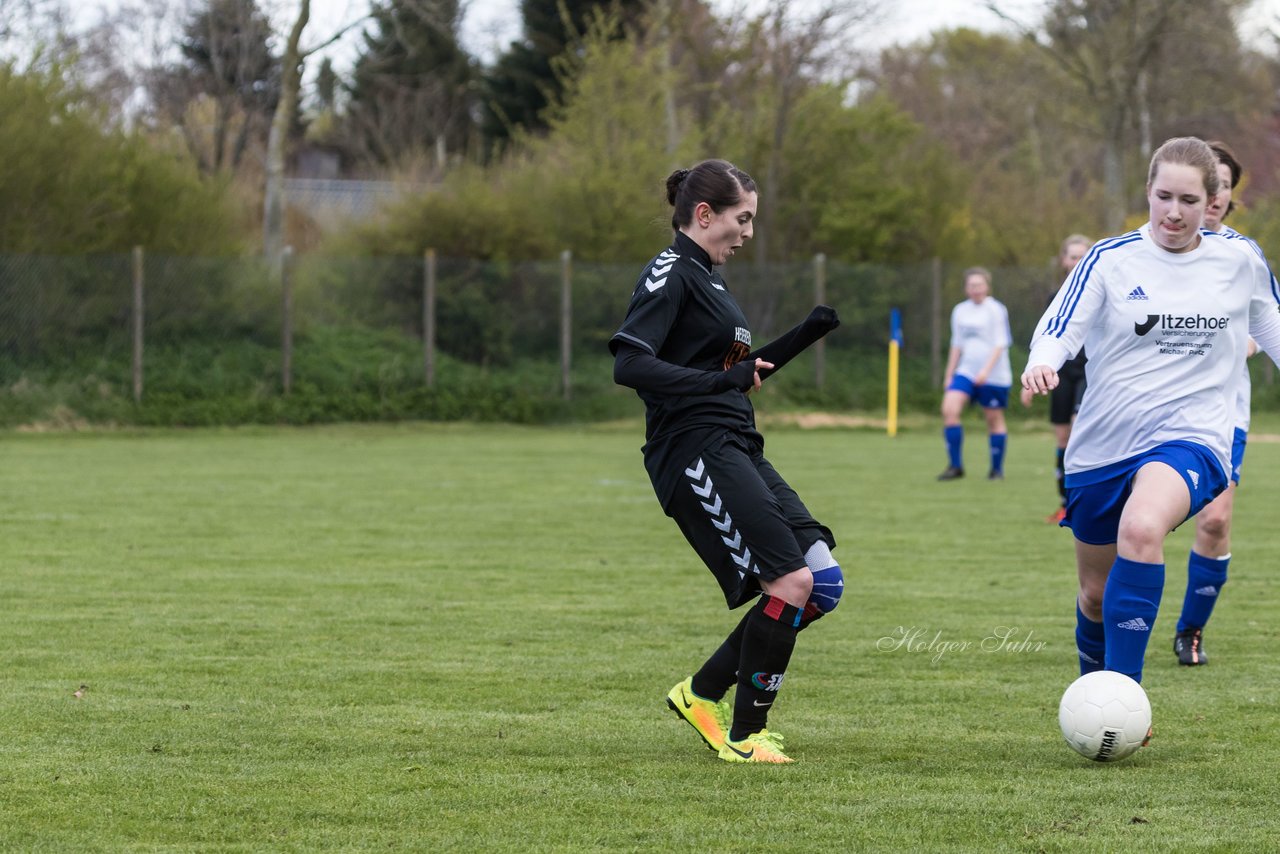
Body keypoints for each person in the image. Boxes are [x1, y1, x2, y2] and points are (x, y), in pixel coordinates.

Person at [1022, 136, 1280, 689]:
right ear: (1149, 192)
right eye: (1164, 196)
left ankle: (1124, 694)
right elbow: (1058, 328)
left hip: (1193, 437)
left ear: (1213, 200)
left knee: (1142, 528)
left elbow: (1271, 327)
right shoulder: (1109, 260)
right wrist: (1041, 363)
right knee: (1094, 595)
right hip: (1103, 446)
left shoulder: (1239, 261)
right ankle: (1096, 693)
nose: (1174, 212)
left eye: (1189, 200)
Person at [609, 159, 842, 764]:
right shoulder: (670, 272)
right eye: (742, 219)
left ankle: (702, 692)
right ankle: (745, 737)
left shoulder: (710, 279)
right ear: (704, 214)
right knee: (790, 583)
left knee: (823, 583)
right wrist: (724, 382)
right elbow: (630, 364)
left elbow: (727, 375)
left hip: (736, 441)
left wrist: (798, 337)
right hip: (694, 450)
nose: (748, 233)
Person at [1173, 140, 1269, 666]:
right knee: (1126, 525)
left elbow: (1263, 327)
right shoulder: (1146, 252)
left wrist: (1240, 341)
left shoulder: (1242, 258)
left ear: (1227, 195)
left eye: (1224, 186)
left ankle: (1190, 630)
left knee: (1213, 522)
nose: (1214, 195)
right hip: (1146, 413)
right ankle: (1108, 614)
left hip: (1221, 416)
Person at [1021, 235, 1093, 522]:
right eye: (1072, 256)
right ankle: (1065, 503)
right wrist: (1032, 374)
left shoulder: (1102, 290)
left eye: (1081, 256)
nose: (1076, 262)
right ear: (1063, 260)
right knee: (1062, 437)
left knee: (1079, 430)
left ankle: (1085, 502)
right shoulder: (1056, 297)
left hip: (1091, 371)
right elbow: (1047, 336)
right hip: (1062, 372)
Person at [937, 267, 1013, 481]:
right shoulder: (960, 310)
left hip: (994, 374)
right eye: (971, 285)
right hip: (966, 371)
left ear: (987, 287)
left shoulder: (996, 309)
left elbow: (1001, 343)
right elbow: (956, 344)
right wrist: (949, 374)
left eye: (979, 285)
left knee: (993, 418)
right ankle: (955, 466)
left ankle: (996, 470)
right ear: (966, 288)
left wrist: (985, 371)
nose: (975, 289)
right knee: (949, 410)